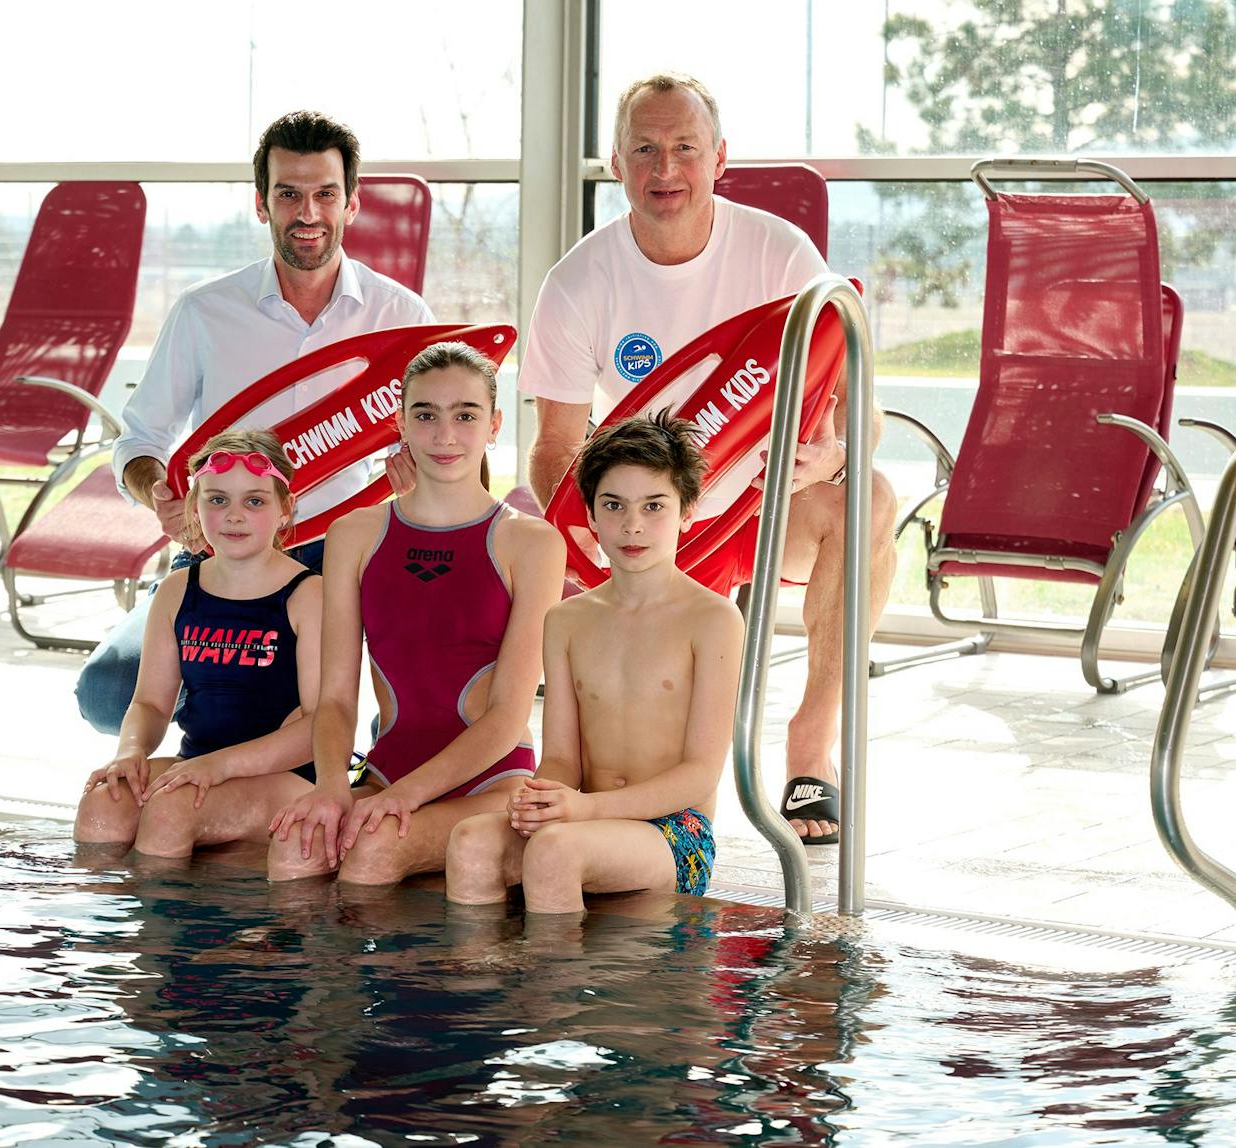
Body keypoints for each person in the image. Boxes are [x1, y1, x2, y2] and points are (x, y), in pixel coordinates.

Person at [518, 72, 897, 845]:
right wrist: (592, 526)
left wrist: (835, 454)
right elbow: (555, 449)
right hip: (642, 524)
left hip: (757, 508)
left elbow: (865, 410)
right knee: (511, 543)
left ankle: (810, 751)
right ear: (614, 163)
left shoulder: (778, 253)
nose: (666, 171)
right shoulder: (578, 281)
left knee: (872, 499)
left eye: (685, 149)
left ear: (720, 158)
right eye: (645, 150)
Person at [76, 109, 434, 736]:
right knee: (108, 692)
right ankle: (244, 731)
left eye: (325, 194)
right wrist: (158, 493)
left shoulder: (401, 315)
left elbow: (439, 442)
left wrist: (418, 479)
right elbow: (139, 440)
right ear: (262, 205)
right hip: (228, 544)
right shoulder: (204, 312)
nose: (308, 213)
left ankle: (338, 764)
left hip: (352, 553)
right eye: (288, 194)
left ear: (352, 204)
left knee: (424, 694)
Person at [267, 342, 566, 884]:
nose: (444, 435)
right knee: (296, 846)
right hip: (387, 770)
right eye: (425, 415)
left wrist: (405, 797)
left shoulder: (532, 543)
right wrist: (333, 785)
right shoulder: (355, 535)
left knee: (375, 848)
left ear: (494, 424)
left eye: (465, 415)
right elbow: (335, 698)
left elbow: (506, 717)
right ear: (400, 423)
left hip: (490, 783)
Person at [446, 411, 744, 911]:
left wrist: (585, 810)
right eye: (614, 505)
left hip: (677, 830)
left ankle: (552, 988)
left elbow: (700, 775)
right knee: (471, 840)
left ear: (687, 511)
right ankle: (481, 981)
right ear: (590, 514)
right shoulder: (566, 620)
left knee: (555, 852)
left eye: (654, 506)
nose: (633, 525)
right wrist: (545, 798)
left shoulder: (713, 619)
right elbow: (563, 758)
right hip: (586, 815)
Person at [75, 429, 323, 855]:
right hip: (198, 764)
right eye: (217, 499)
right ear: (195, 508)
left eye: (255, 501)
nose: (234, 515)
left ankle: (162, 921)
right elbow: (151, 704)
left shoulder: (308, 595)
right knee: (105, 803)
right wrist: (130, 753)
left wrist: (219, 767)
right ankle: (110, 918)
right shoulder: (177, 590)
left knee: (173, 809)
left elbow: (321, 725)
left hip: (287, 777)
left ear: (286, 510)